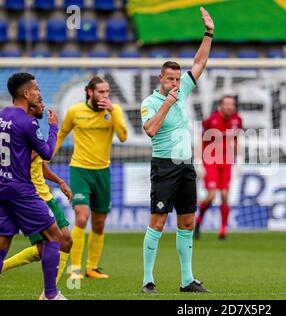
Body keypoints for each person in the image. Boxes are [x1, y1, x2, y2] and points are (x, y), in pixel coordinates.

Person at [140, 6, 214, 294]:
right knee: (158, 221)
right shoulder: (151, 102)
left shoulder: (183, 87)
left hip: (185, 165)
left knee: (186, 221)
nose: (175, 83)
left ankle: (187, 280)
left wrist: (209, 33)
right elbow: (150, 130)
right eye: (170, 79)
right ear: (161, 79)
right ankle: (148, 280)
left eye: (177, 78)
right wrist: (169, 102)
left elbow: (199, 62)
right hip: (164, 166)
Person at [54, 76, 128, 280]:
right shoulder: (75, 111)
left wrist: (113, 111)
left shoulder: (114, 111)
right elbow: (61, 133)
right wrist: (48, 156)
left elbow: (123, 136)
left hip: (103, 171)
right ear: (90, 92)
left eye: (107, 92)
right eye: (101, 92)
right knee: (81, 216)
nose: (105, 95)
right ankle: (75, 268)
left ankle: (92, 267)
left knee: (99, 223)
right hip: (80, 170)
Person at [0, 72, 66, 300]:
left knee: (3, 239)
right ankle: (51, 294)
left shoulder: (2, 115)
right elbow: (47, 152)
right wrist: (54, 128)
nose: (39, 92)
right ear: (26, 93)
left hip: (2, 187)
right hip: (21, 189)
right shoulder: (26, 121)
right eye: (36, 89)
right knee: (54, 236)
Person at [194, 95, 242, 240]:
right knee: (211, 196)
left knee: (226, 196)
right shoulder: (211, 120)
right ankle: (198, 221)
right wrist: (197, 161)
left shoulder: (236, 120)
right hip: (210, 161)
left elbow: (236, 139)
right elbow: (200, 140)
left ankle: (223, 231)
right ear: (221, 106)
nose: (229, 107)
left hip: (226, 161)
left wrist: (239, 159)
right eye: (226, 104)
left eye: (231, 104)